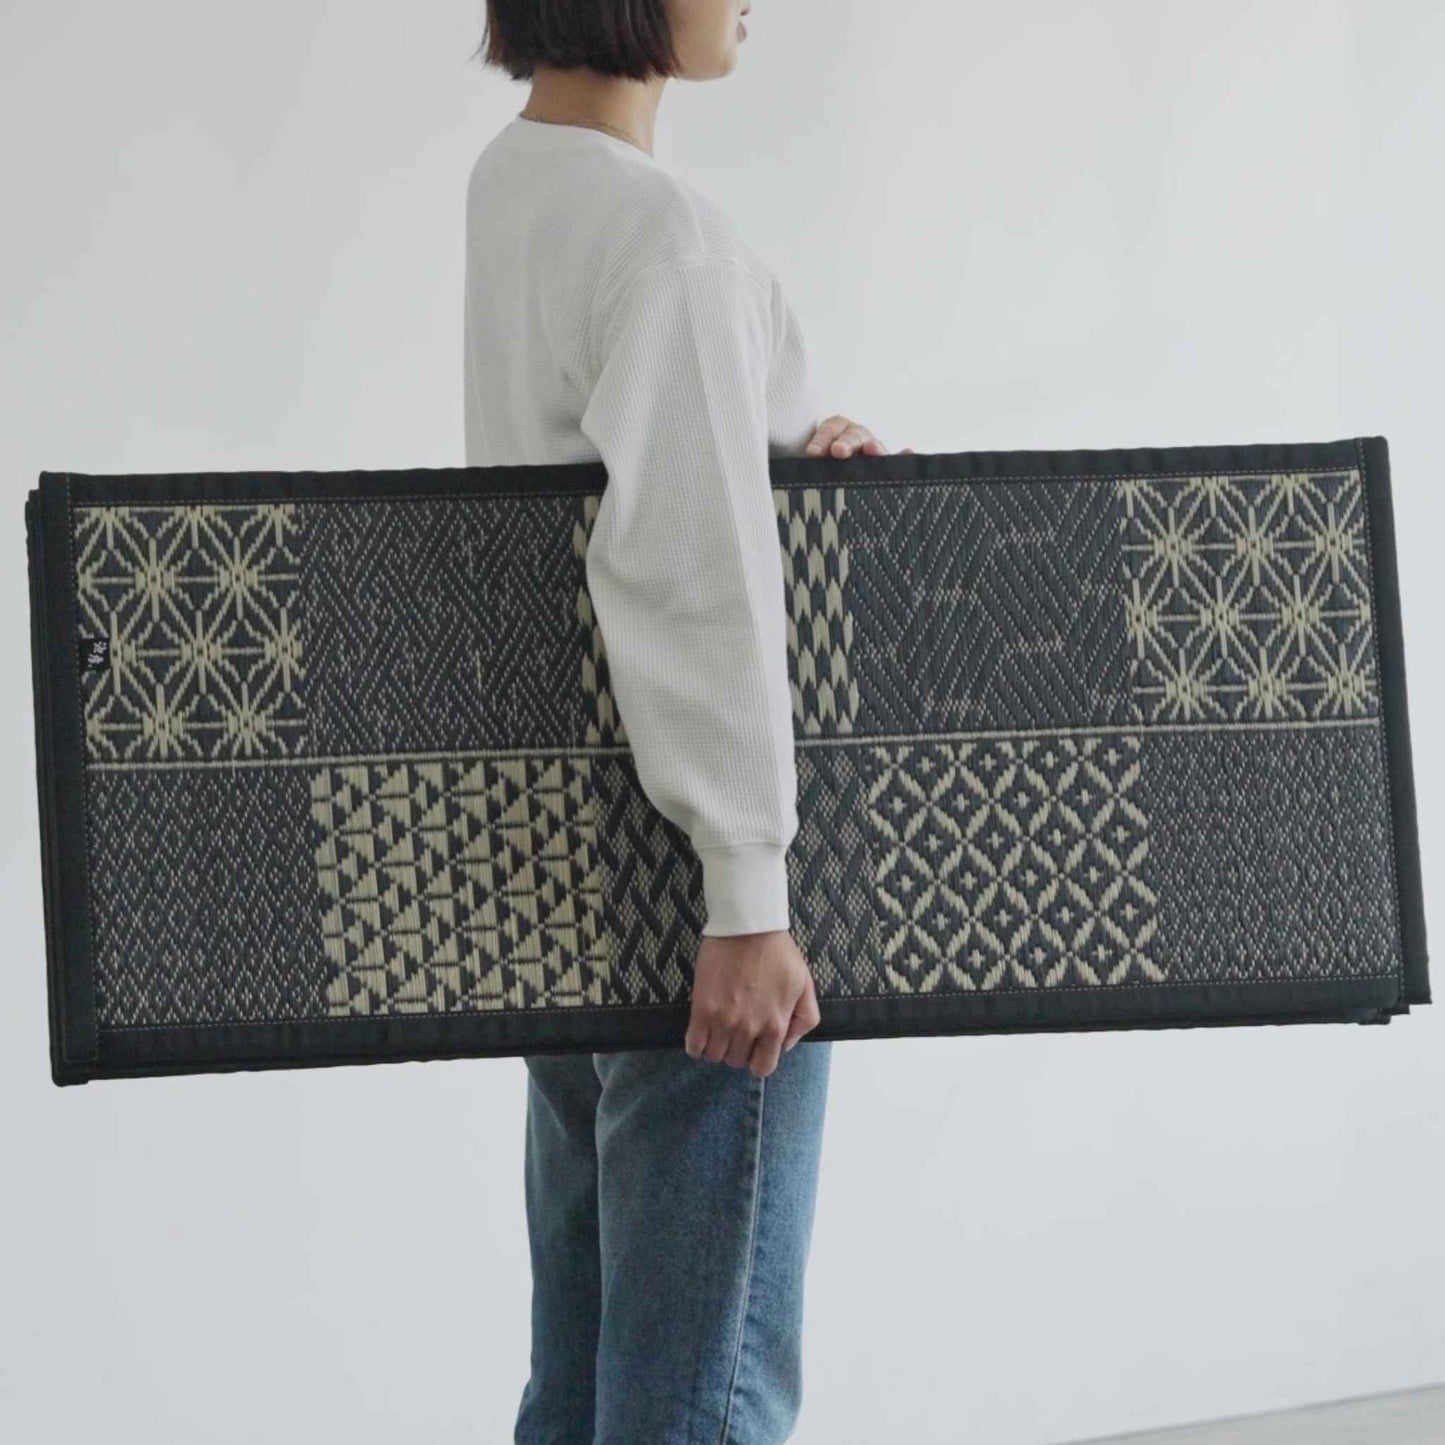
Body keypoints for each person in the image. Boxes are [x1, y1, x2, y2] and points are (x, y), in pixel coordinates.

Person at [465, 4, 908, 1440]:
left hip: (574, 861)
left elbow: (617, 508)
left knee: (588, 1371)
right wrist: (748, 892)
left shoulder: (517, 178)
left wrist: (791, 465)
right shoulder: (666, 238)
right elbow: (682, 573)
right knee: (699, 1399)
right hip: (695, 895)